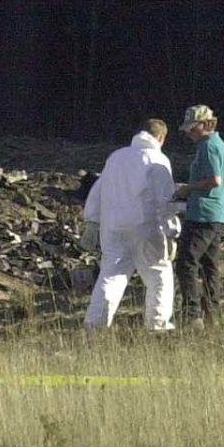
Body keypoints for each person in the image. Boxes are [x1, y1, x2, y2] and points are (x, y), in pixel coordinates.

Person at [83, 118, 178, 331]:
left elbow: (99, 189)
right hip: (146, 227)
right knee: (158, 275)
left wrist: (92, 220)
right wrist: (172, 231)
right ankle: (158, 325)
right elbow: (166, 199)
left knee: (111, 276)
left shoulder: (115, 158)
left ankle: (95, 325)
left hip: (113, 227)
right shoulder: (158, 159)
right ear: (161, 137)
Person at [172, 104, 224, 322]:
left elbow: (215, 180)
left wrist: (188, 189)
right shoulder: (219, 145)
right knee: (210, 265)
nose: (189, 133)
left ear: (207, 124)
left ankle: (192, 313)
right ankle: (212, 314)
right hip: (218, 213)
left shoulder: (208, 147)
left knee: (186, 261)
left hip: (204, 213)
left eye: (193, 128)